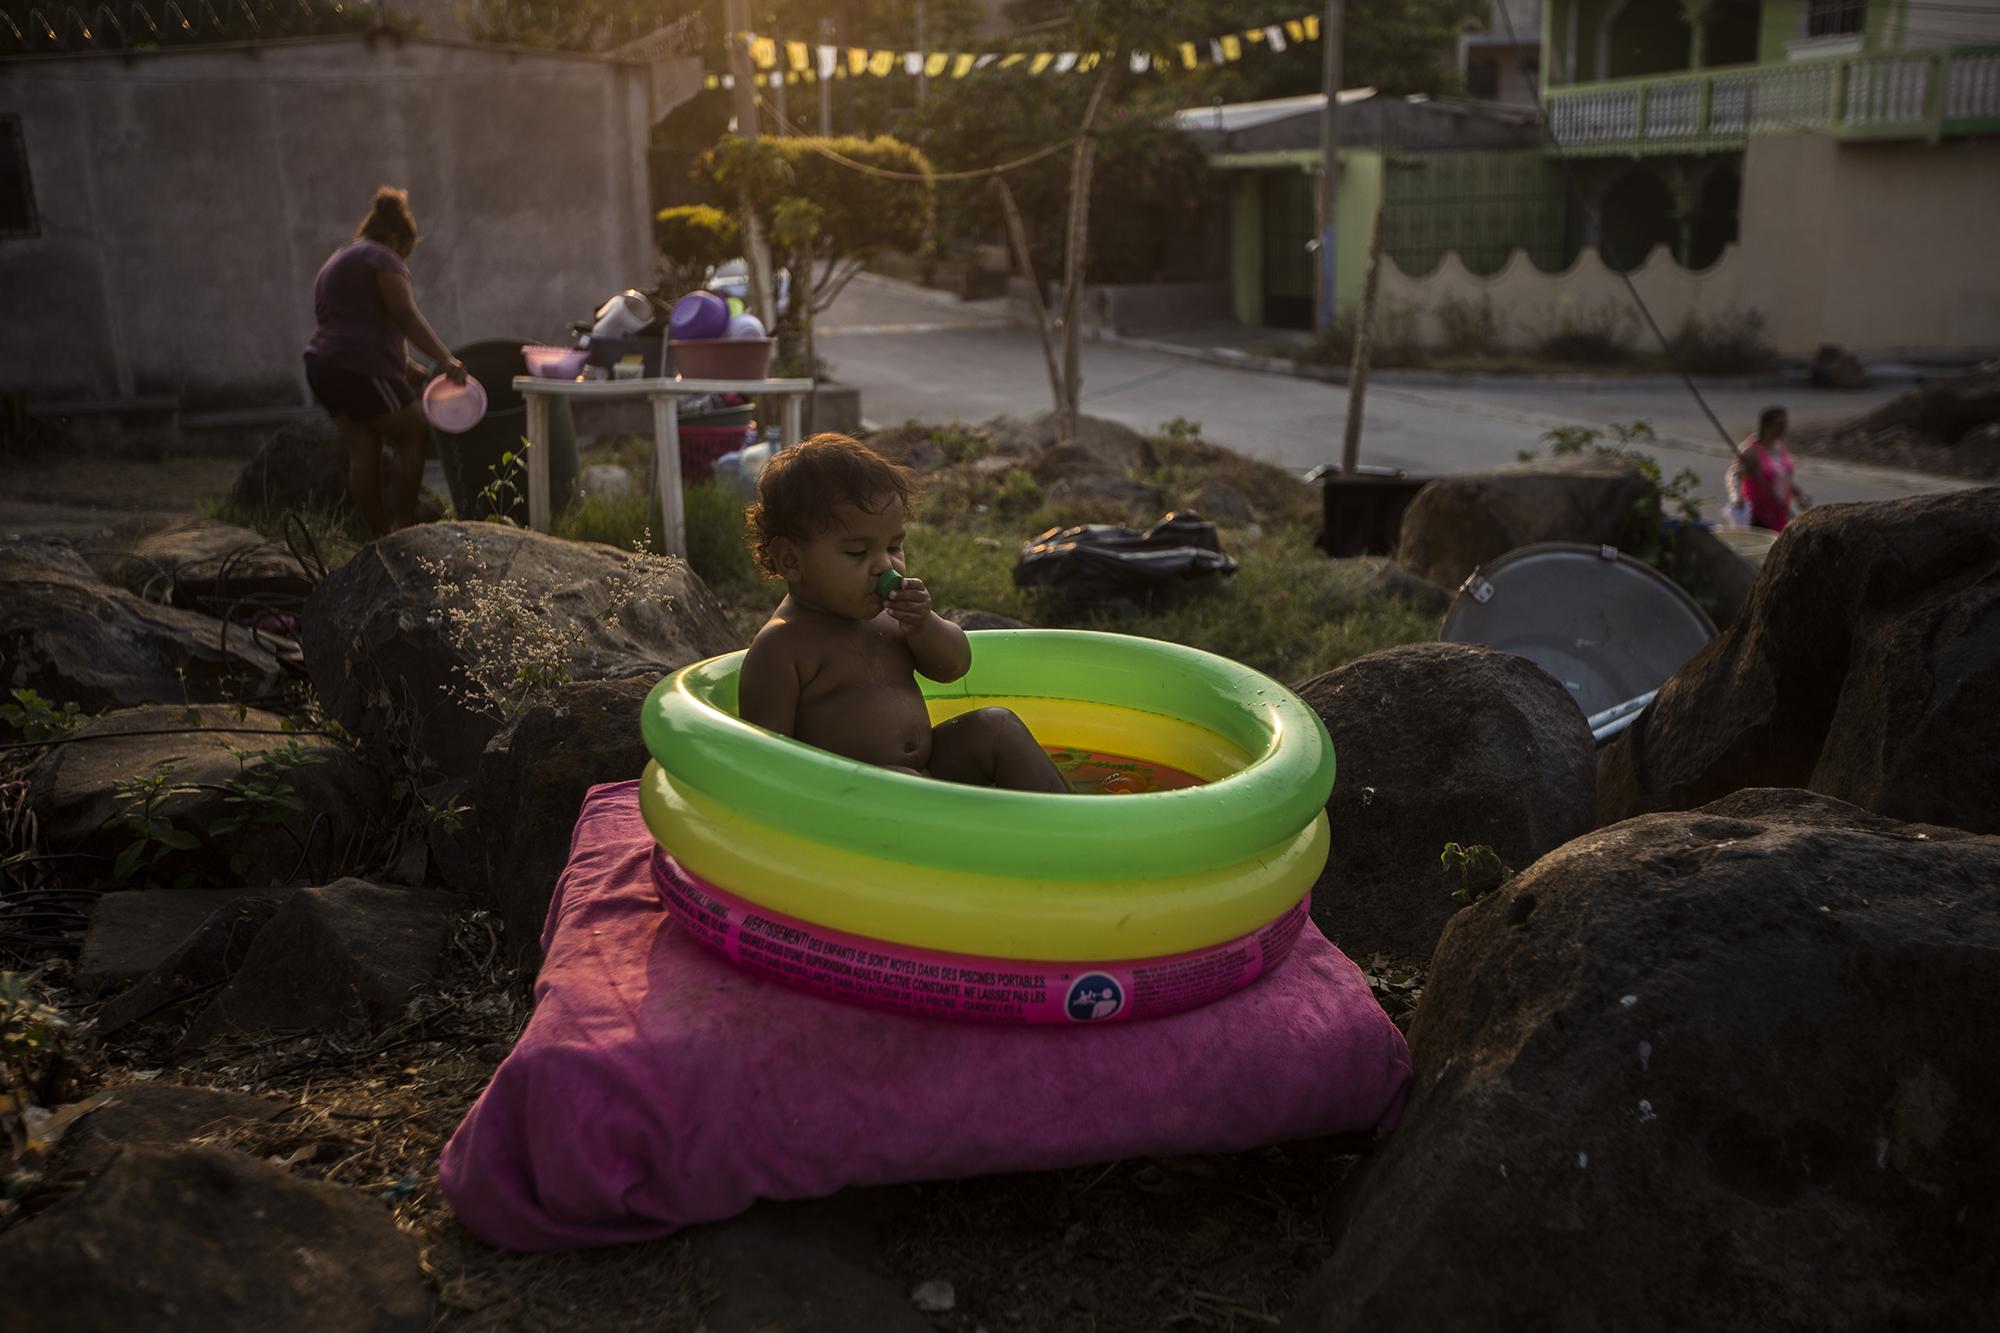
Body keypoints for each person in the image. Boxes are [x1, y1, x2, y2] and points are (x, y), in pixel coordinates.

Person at [738, 435, 1069, 793]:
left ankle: (1072, 819)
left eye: (894, 546)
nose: (885, 564)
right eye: (857, 552)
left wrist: (924, 625)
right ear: (791, 560)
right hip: (851, 796)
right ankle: (971, 843)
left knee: (997, 727)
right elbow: (766, 761)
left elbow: (953, 667)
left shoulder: (893, 615)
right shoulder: (783, 646)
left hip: (927, 770)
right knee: (904, 783)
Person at [302, 186, 466, 537]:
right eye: (405, 252)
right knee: (413, 432)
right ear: (394, 238)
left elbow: (356, 321)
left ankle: (380, 538)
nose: (404, 262)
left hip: (322, 366)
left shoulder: (339, 259)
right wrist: (446, 359)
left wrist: (403, 367)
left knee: (364, 449)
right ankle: (403, 528)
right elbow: (404, 315)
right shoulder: (382, 257)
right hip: (357, 368)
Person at [1725, 405, 1811, 531]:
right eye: (1779, 424)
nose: (1783, 428)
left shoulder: (1779, 447)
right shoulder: (1751, 451)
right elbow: (1734, 475)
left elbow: (1782, 477)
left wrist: (1799, 494)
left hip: (1780, 513)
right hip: (1758, 517)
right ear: (1766, 425)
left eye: (1785, 423)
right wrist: (1737, 497)